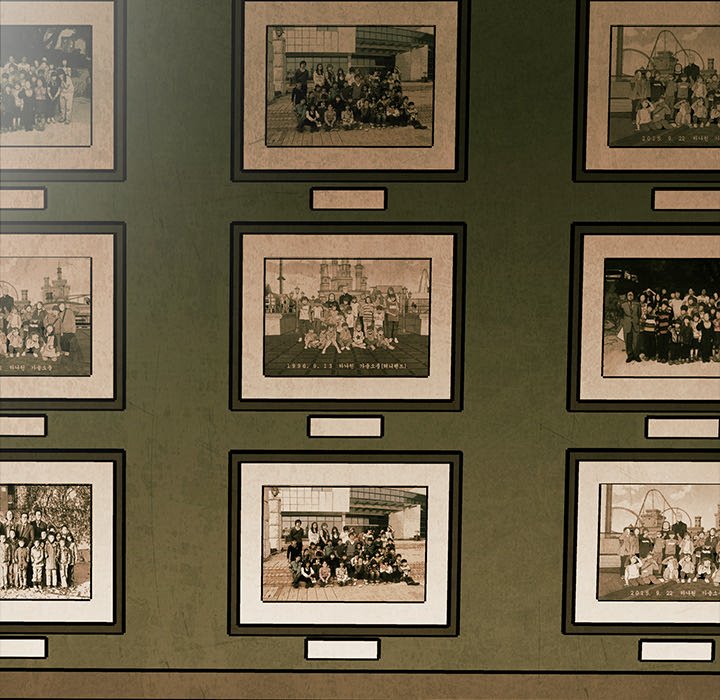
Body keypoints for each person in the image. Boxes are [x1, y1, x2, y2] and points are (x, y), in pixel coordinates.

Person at [620, 291, 641, 362]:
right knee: (628, 340)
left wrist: (636, 320)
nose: (630, 296)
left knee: (636, 340)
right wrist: (624, 323)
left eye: (631, 295)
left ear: (633, 296)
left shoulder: (637, 304)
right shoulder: (623, 305)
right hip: (627, 324)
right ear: (627, 296)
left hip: (635, 324)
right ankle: (630, 355)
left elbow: (639, 314)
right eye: (629, 295)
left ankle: (636, 355)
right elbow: (621, 315)